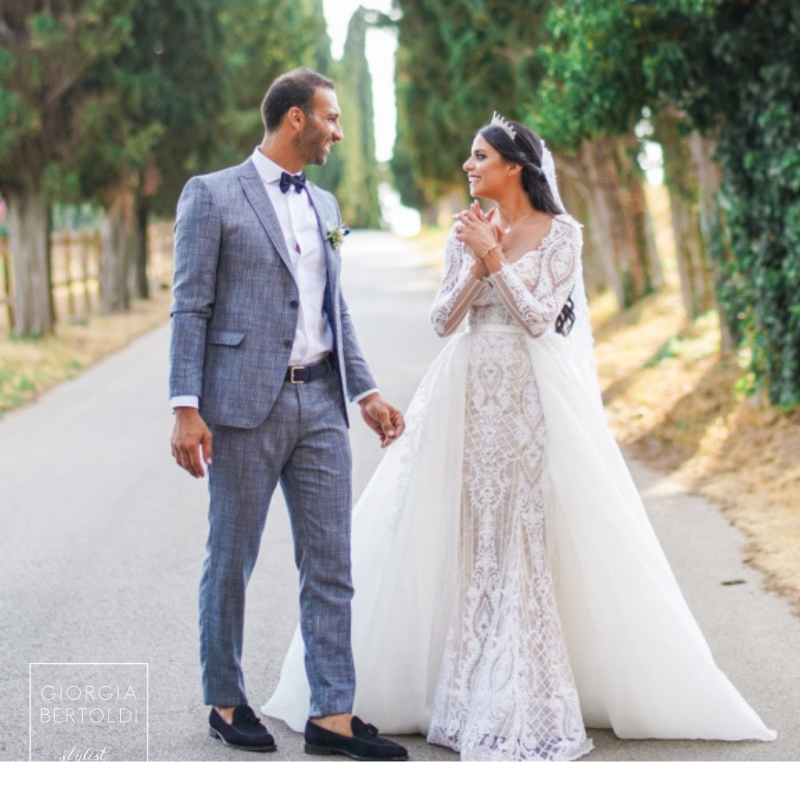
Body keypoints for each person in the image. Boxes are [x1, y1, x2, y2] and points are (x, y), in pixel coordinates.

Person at [263, 113, 776, 760]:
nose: (468, 166)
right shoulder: (465, 229)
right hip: (465, 396)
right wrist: (477, 261)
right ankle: (459, 683)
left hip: (530, 398)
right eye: (468, 156)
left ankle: (521, 682)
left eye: (480, 156)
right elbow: (443, 321)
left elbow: (538, 320)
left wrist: (494, 258)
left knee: (523, 525)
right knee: (469, 526)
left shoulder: (562, 234)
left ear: (514, 166)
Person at [169, 67, 409, 761]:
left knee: (331, 563)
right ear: (296, 118)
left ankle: (332, 714)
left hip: (322, 404)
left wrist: (365, 392)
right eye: (331, 118)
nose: (339, 132)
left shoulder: (326, 204)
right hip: (243, 409)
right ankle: (225, 701)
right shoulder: (212, 194)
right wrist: (185, 408)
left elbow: (336, 310)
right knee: (231, 559)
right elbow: (190, 306)